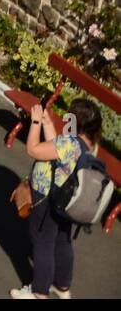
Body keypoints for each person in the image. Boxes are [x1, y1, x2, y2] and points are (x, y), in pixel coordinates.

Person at [11, 98, 105, 300]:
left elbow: (34, 149)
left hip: (48, 197)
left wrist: (35, 122)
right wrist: (47, 124)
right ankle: (61, 286)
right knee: (62, 241)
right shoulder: (89, 146)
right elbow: (58, 150)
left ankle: (39, 292)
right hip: (68, 201)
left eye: (69, 116)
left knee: (42, 242)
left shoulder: (68, 142)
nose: (65, 118)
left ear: (75, 122)